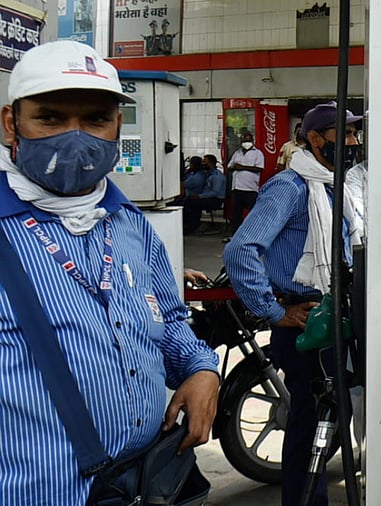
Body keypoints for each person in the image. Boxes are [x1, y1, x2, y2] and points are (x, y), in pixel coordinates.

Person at [0, 40, 219, 503]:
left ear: (118, 126)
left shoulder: (128, 222)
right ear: (10, 122)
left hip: (144, 484)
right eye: (51, 117)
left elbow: (169, 320)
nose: (75, 136)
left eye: (96, 119)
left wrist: (200, 369)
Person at [223, 100, 362, 506]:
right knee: (310, 424)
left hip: (335, 316)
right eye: (345, 134)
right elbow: (240, 251)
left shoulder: (336, 186)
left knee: (328, 417)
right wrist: (275, 312)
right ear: (316, 139)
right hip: (305, 321)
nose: (353, 142)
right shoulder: (292, 186)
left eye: (356, 134)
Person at [225, 131, 264, 240]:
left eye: (248, 140)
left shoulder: (258, 153)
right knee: (236, 214)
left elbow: (260, 168)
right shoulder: (237, 153)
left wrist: (243, 167)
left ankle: (254, 235)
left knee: (253, 213)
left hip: (250, 188)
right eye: (244, 140)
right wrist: (234, 167)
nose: (246, 142)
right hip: (236, 188)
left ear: (252, 141)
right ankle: (235, 235)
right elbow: (229, 167)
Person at [182, 154, 226, 234]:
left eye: (204, 161)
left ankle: (193, 226)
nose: (202, 163)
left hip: (216, 200)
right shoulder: (207, 174)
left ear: (211, 163)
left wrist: (199, 196)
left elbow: (214, 192)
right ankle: (188, 224)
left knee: (192, 203)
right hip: (207, 197)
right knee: (188, 200)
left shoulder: (216, 176)